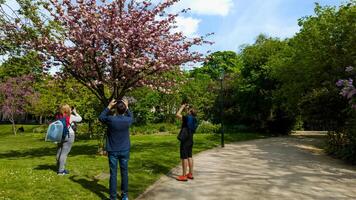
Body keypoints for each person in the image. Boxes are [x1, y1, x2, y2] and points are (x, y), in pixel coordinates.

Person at [99, 98, 133, 200]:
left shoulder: (110, 119)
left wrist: (109, 106)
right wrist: (127, 107)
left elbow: (101, 117)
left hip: (113, 150)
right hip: (124, 150)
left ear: (116, 110)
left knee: (113, 174)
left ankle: (113, 197)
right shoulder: (128, 120)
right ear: (124, 109)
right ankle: (125, 195)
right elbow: (131, 116)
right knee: (124, 173)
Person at [56, 104, 82, 175]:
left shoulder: (58, 116)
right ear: (68, 110)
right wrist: (75, 112)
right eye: (69, 108)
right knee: (64, 154)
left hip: (60, 136)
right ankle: (61, 171)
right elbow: (80, 119)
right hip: (69, 135)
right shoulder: (71, 116)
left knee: (59, 152)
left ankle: (58, 167)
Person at [176, 104, 197, 181]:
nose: (187, 111)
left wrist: (181, 107)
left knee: (184, 157)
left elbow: (177, 114)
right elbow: (187, 120)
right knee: (190, 156)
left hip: (185, 140)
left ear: (190, 112)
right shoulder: (194, 119)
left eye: (188, 110)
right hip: (190, 139)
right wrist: (186, 109)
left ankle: (184, 175)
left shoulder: (187, 118)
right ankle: (190, 174)